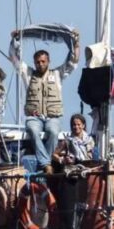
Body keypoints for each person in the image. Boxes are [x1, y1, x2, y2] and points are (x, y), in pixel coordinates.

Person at [9, 28, 80, 171]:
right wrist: (14, 40)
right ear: (34, 63)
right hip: (34, 117)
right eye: (37, 62)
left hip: (52, 117)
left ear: (48, 61)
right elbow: (14, 58)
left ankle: (44, 163)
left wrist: (76, 43)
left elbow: (73, 61)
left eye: (43, 61)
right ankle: (47, 164)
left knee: (53, 132)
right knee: (33, 130)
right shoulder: (28, 74)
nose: (40, 64)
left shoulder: (58, 74)